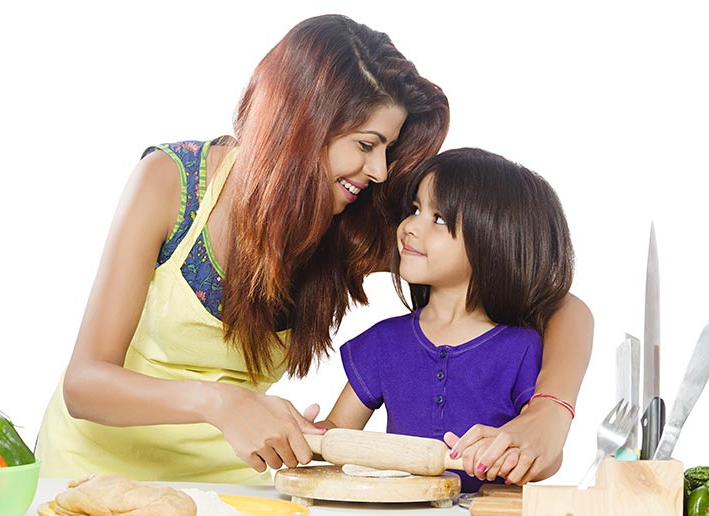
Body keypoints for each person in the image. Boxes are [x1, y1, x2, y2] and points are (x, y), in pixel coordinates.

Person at [34, 14, 452, 483]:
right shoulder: (171, 182)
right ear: (304, 124)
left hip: (232, 499)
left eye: (386, 151)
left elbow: (529, 273)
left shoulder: (352, 227)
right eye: (366, 144)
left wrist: (548, 412)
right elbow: (85, 384)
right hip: (87, 482)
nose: (378, 170)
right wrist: (222, 403)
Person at [315, 148, 580, 491]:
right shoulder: (384, 341)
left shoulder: (522, 347)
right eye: (414, 209)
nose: (410, 226)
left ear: (493, 240)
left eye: (438, 218)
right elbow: (338, 429)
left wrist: (517, 458)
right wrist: (307, 435)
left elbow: (544, 451)